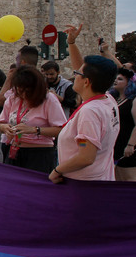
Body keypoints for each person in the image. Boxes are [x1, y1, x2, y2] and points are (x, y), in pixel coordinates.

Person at [50, 24, 120, 183]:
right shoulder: (107, 100)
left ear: (87, 82)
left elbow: (86, 156)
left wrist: (57, 170)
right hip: (99, 178)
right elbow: (82, 69)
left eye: (77, 74)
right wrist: (72, 43)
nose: (74, 75)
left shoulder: (90, 112)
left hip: (83, 183)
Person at [0, 65, 65, 173]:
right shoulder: (13, 98)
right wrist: (4, 128)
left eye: (27, 91)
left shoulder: (49, 99)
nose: (23, 95)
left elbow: (61, 130)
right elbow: (0, 123)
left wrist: (35, 130)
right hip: (14, 151)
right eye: (19, 91)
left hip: (39, 153)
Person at [111, 68, 136, 181]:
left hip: (129, 145)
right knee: (116, 177)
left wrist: (131, 144)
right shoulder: (115, 99)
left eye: (120, 79)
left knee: (129, 178)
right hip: (116, 144)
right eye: (116, 78)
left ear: (130, 82)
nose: (116, 81)